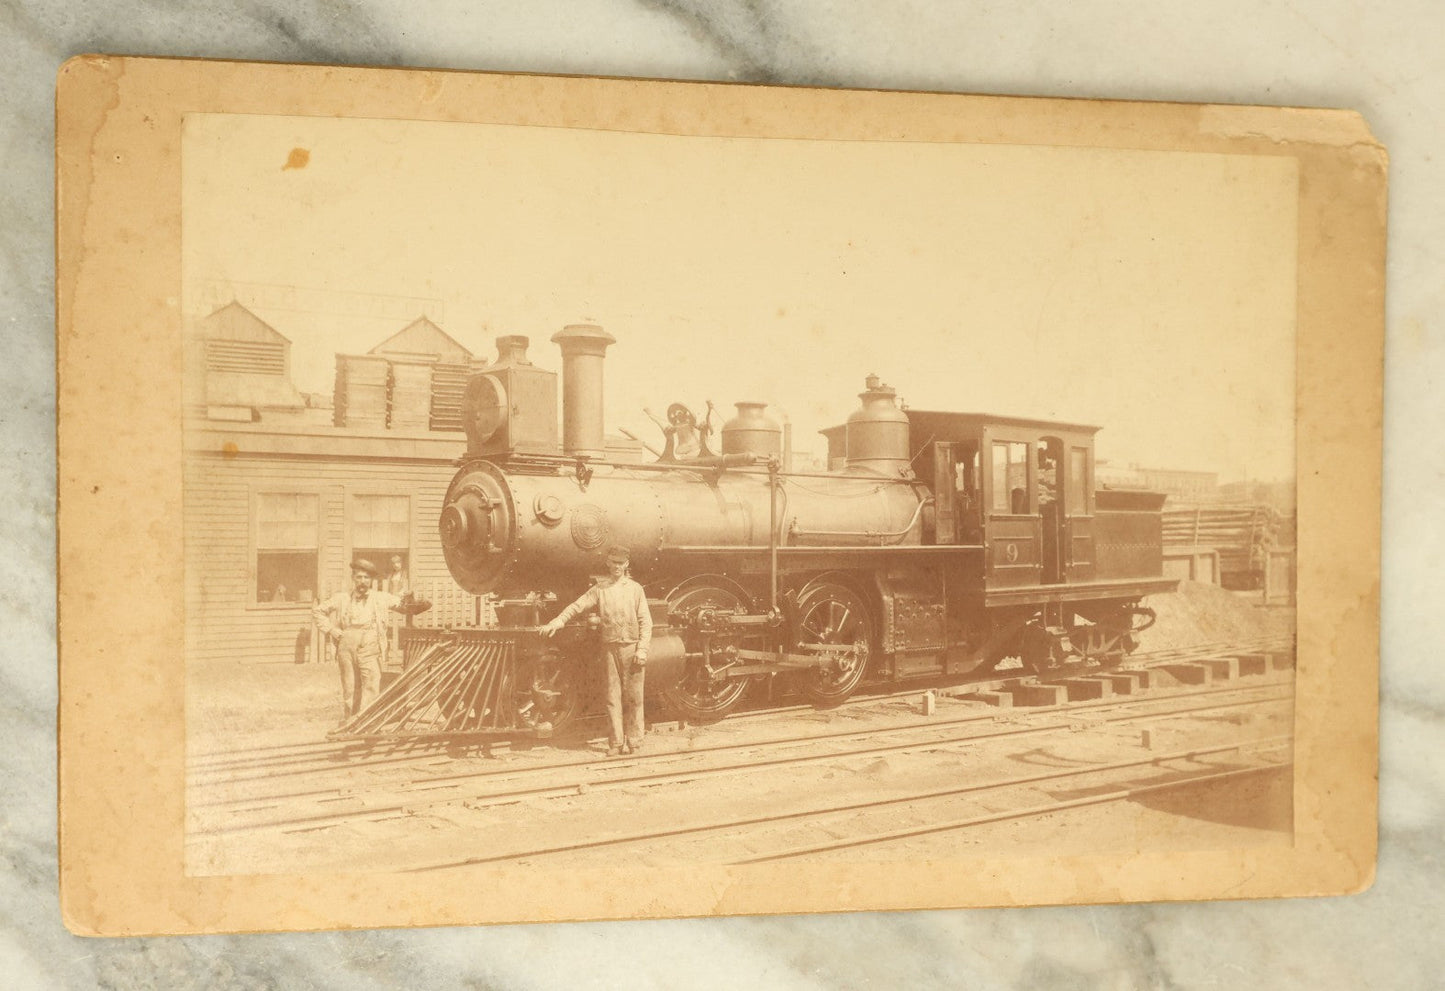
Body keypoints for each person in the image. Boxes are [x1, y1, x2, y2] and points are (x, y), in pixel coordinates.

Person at [539, 544, 653, 756]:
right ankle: (616, 742)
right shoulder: (600, 589)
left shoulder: (636, 589)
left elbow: (646, 621)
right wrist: (558, 621)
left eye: (621, 563)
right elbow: (577, 606)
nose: (617, 567)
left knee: (634, 697)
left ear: (626, 564)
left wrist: (642, 649)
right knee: (612, 697)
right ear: (607, 563)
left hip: (631, 647)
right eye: (613, 563)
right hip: (609, 648)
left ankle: (634, 741)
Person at [312, 558, 398, 726]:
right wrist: (331, 630)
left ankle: (369, 722)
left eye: (366, 578)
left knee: (371, 682)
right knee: (350, 684)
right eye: (359, 577)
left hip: (370, 643)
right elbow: (318, 611)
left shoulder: (380, 597)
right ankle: (350, 720)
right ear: (353, 578)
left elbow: (401, 603)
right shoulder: (342, 598)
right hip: (347, 643)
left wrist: (410, 601)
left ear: (371, 580)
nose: (363, 581)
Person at [645, 401, 715, 462]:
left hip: (694, 449)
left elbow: (704, 426)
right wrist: (650, 415)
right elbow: (662, 426)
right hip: (684, 451)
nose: (678, 416)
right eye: (677, 414)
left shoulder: (690, 424)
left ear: (685, 415)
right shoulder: (676, 427)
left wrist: (709, 410)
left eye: (680, 414)